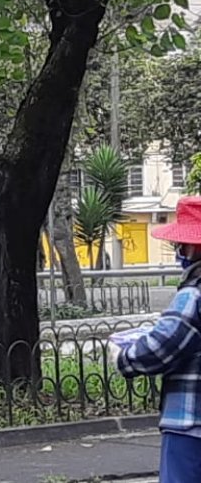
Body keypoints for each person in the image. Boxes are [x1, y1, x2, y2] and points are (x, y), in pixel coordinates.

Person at [115, 196, 201, 483]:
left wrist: (122, 355)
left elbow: (160, 347)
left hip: (190, 426)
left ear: (193, 247)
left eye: (181, 244)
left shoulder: (193, 295)